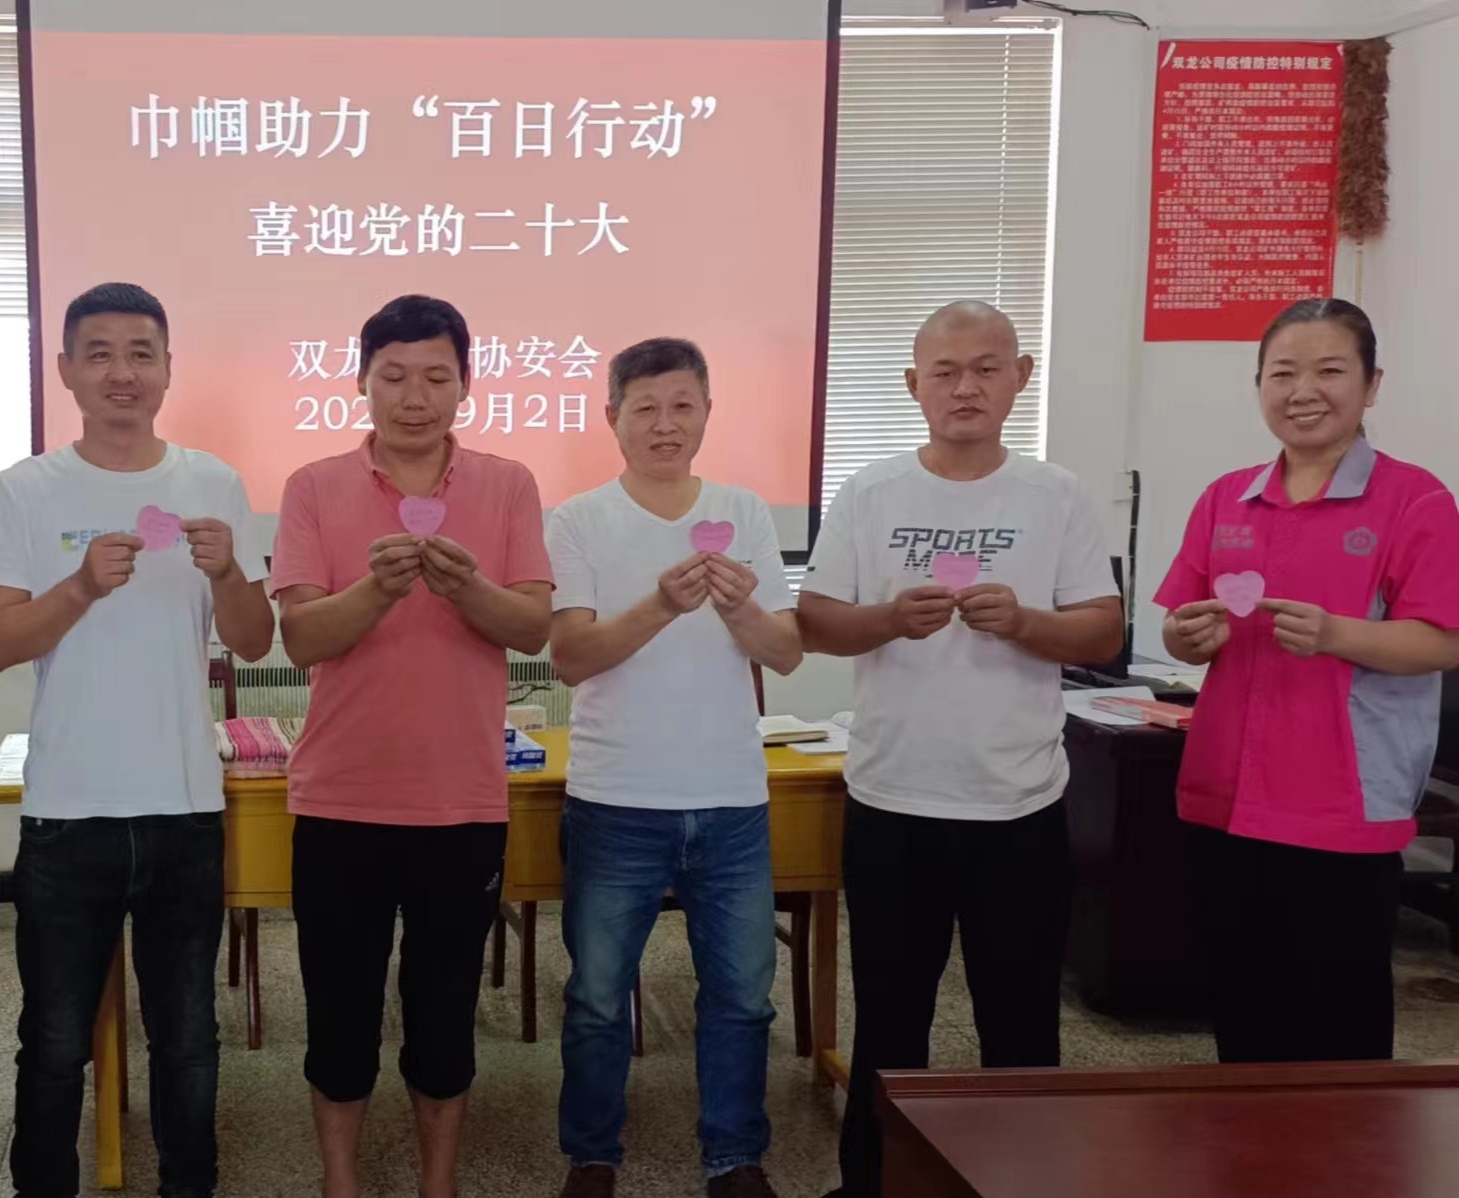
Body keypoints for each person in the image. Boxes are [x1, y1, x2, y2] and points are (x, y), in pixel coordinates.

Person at [797, 301, 1123, 1198]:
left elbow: (1103, 633)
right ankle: (871, 1185)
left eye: (986, 368)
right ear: (915, 385)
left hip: (1018, 808)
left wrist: (1024, 622)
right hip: (893, 802)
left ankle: (1020, 1184)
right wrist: (886, 620)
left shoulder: (1058, 496)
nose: (966, 387)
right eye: (945, 371)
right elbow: (816, 623)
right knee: (890, 1023)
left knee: (1020, 1027)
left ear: (1021, 378)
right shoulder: (871, 492)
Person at [0, 283, 274, 1198]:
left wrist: (229, 575)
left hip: (184, 807)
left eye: (142, 353)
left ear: (169, 369)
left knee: (187, 1038)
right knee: (55, 1037)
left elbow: (255, 641)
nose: (122, 373)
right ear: (66, 371)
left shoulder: (212, 482)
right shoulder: (26, 488)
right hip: (68, 813)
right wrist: (78, 589)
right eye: (98, 353)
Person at [272, 294, 554, 1198]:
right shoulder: (313, 486)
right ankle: (341, 1183)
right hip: (340, 800)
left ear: (466, 385)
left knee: (443, 1018)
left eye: (436, 376)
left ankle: (439, 1184)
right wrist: (376, 590)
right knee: (339, 1014)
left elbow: (533, 627)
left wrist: (466, 588)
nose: (414, 396)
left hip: (460, 805)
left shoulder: (508, 484)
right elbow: (301, 638)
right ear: (362, 382)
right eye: (393, 376)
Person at [1156, 298, 1459, 1065]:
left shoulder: (1415, 499)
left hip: (1341, 801)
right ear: (1259, 384)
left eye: (1329, 371)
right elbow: (1175, 628)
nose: (1303, 391)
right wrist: (1186, 637)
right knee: (1241, 1013)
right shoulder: (1226, 498)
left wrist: (1335, 635)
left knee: (1337, 1031)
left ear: (1371, 384)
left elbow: (1443, 642)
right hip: (1228, 797)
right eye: (1283, 373)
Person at [544, 339, 802, 1198]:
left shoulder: (744, 510)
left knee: (742, 995)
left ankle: (735, 1156)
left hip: (730, 798)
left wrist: (739, 608)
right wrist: (660, 604)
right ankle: (592, 1155)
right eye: (645, 407)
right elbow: (572, 657)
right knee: (597, 995)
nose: (665, 424)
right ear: (611, 416)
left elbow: (785, 652)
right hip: (615, 798)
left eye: (682, 405)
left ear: (707, 413)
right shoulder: (577, 519)